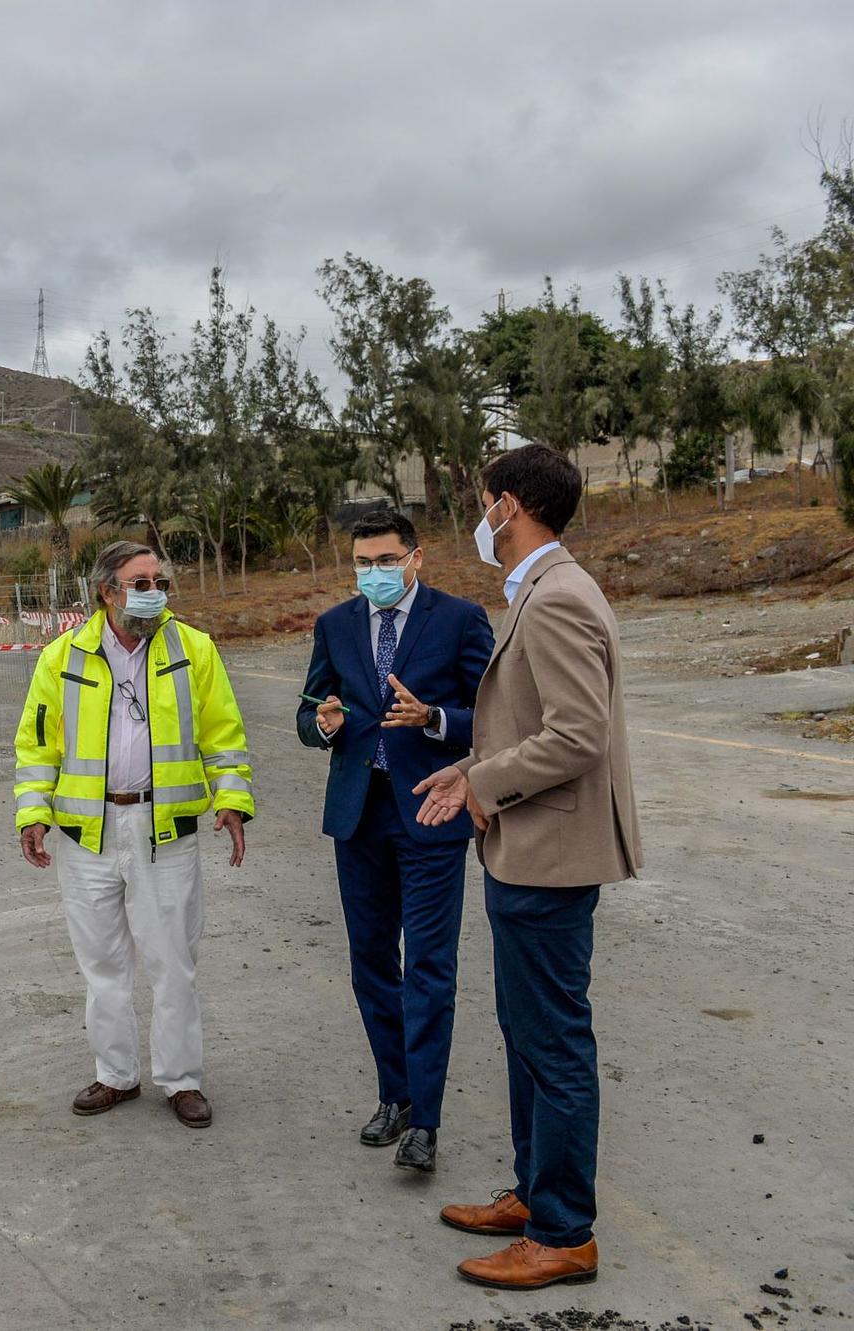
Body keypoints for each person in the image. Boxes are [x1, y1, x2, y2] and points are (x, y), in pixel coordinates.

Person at [412, 444, 641, 1290]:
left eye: (484, 503)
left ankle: (564, 1231)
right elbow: (530, 722)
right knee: (526, 1034)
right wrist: (468, 768)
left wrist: (485, 781)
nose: (481, 518)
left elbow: (577, 734)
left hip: (550, 852)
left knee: (553, 1041)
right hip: (527, 844)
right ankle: (534, 1191)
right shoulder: (540, 592)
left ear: (508, 506)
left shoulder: (556, 599)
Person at [14, 540, 254, 1129]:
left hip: (164, 827)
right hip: (86, 834)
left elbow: (223, 735)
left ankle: (181, 1080)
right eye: (140, 582)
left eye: (158, 580)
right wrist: (32, 812)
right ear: (107, 591)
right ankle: (115, 1074)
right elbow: (37, 745)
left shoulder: (192, 649)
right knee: (102, 963)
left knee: (173, 960)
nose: (154, 590)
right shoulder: (63, 657)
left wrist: (232, 801)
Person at [297, 510, 493, 1173]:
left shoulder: (460, 620)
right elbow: (308, 708)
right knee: (371, 962)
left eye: (385, 560)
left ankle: (427, 1124)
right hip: (359, 813)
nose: (372, 573)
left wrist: (435, 717)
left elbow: (495, 715)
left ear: (416, 557)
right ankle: (396, 1093)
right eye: (362, 562)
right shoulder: (336, 624)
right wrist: (321, 723)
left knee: (429, 969)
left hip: (431, 809)